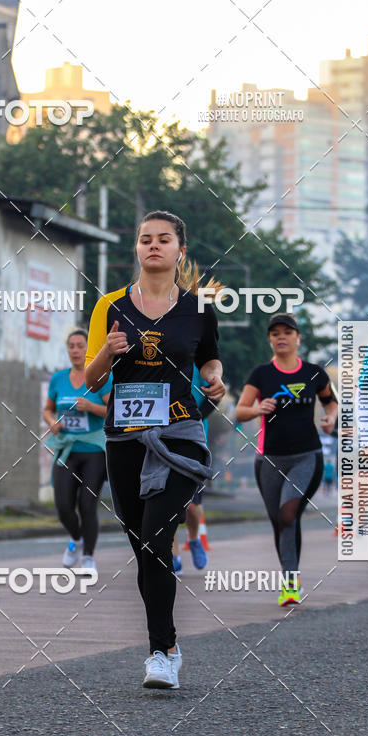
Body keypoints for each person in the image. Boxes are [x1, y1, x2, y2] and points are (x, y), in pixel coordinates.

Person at [85, 210, 225, 689]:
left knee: (157, 538)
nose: (153, 246)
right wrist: (108, 351)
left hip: (179, 433)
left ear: (179, 250)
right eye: (145, 239)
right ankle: (168, 644)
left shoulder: (200, 308)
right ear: (137, 249)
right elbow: (92, 377)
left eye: (164, 240)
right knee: (143, 548)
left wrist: (214, 379)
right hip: (124, 435)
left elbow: (208, 355)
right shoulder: (110, 305)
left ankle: (160, 653)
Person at [235, 314, 337, 606]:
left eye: (287, 332)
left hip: (307, 457)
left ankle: (291, 583)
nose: (281, 337)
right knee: (280, 521)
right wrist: (257, 409)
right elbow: (240, 411)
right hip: (269, 459)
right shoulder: (261, 374)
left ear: (297, 338)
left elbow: (330, 401)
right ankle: (291, 582)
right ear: (270, 339)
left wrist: (330, 417)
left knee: (288, 513)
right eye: (275, 333)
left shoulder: (314, 373)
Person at [43, 329, 111, 574]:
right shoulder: (58, 379)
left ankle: (89, 558)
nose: (75, 350)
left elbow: (114, 410)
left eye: (80, 345)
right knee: (62, 505)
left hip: (94, 449)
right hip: (67, 449)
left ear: (88, 348)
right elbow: (48, 409)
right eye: (71, 346)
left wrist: (91, 406)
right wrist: (52, 421)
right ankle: (77, 538)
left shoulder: (101, 377)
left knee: (87, 504)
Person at [172, 365, 214, 575]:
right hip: (160, 440)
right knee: (164, 501)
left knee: (192, 506)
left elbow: (215, 395)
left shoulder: (197, 362)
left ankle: (195, 538)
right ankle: (173, 555)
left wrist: (196, 416)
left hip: (194, 441)